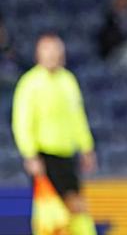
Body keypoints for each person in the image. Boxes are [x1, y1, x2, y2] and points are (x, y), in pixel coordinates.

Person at [12, 33, 97, 235]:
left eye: (56, 50)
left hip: (67, 154)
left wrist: (87, 147)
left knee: (77, 208)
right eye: (47, 50)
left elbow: (78, 117)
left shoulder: (68, 81)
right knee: (50, 212)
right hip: (44, 155)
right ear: (38, 54)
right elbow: (22, 122)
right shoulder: (30, 83)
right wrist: (30, 154)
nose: (52, 55)